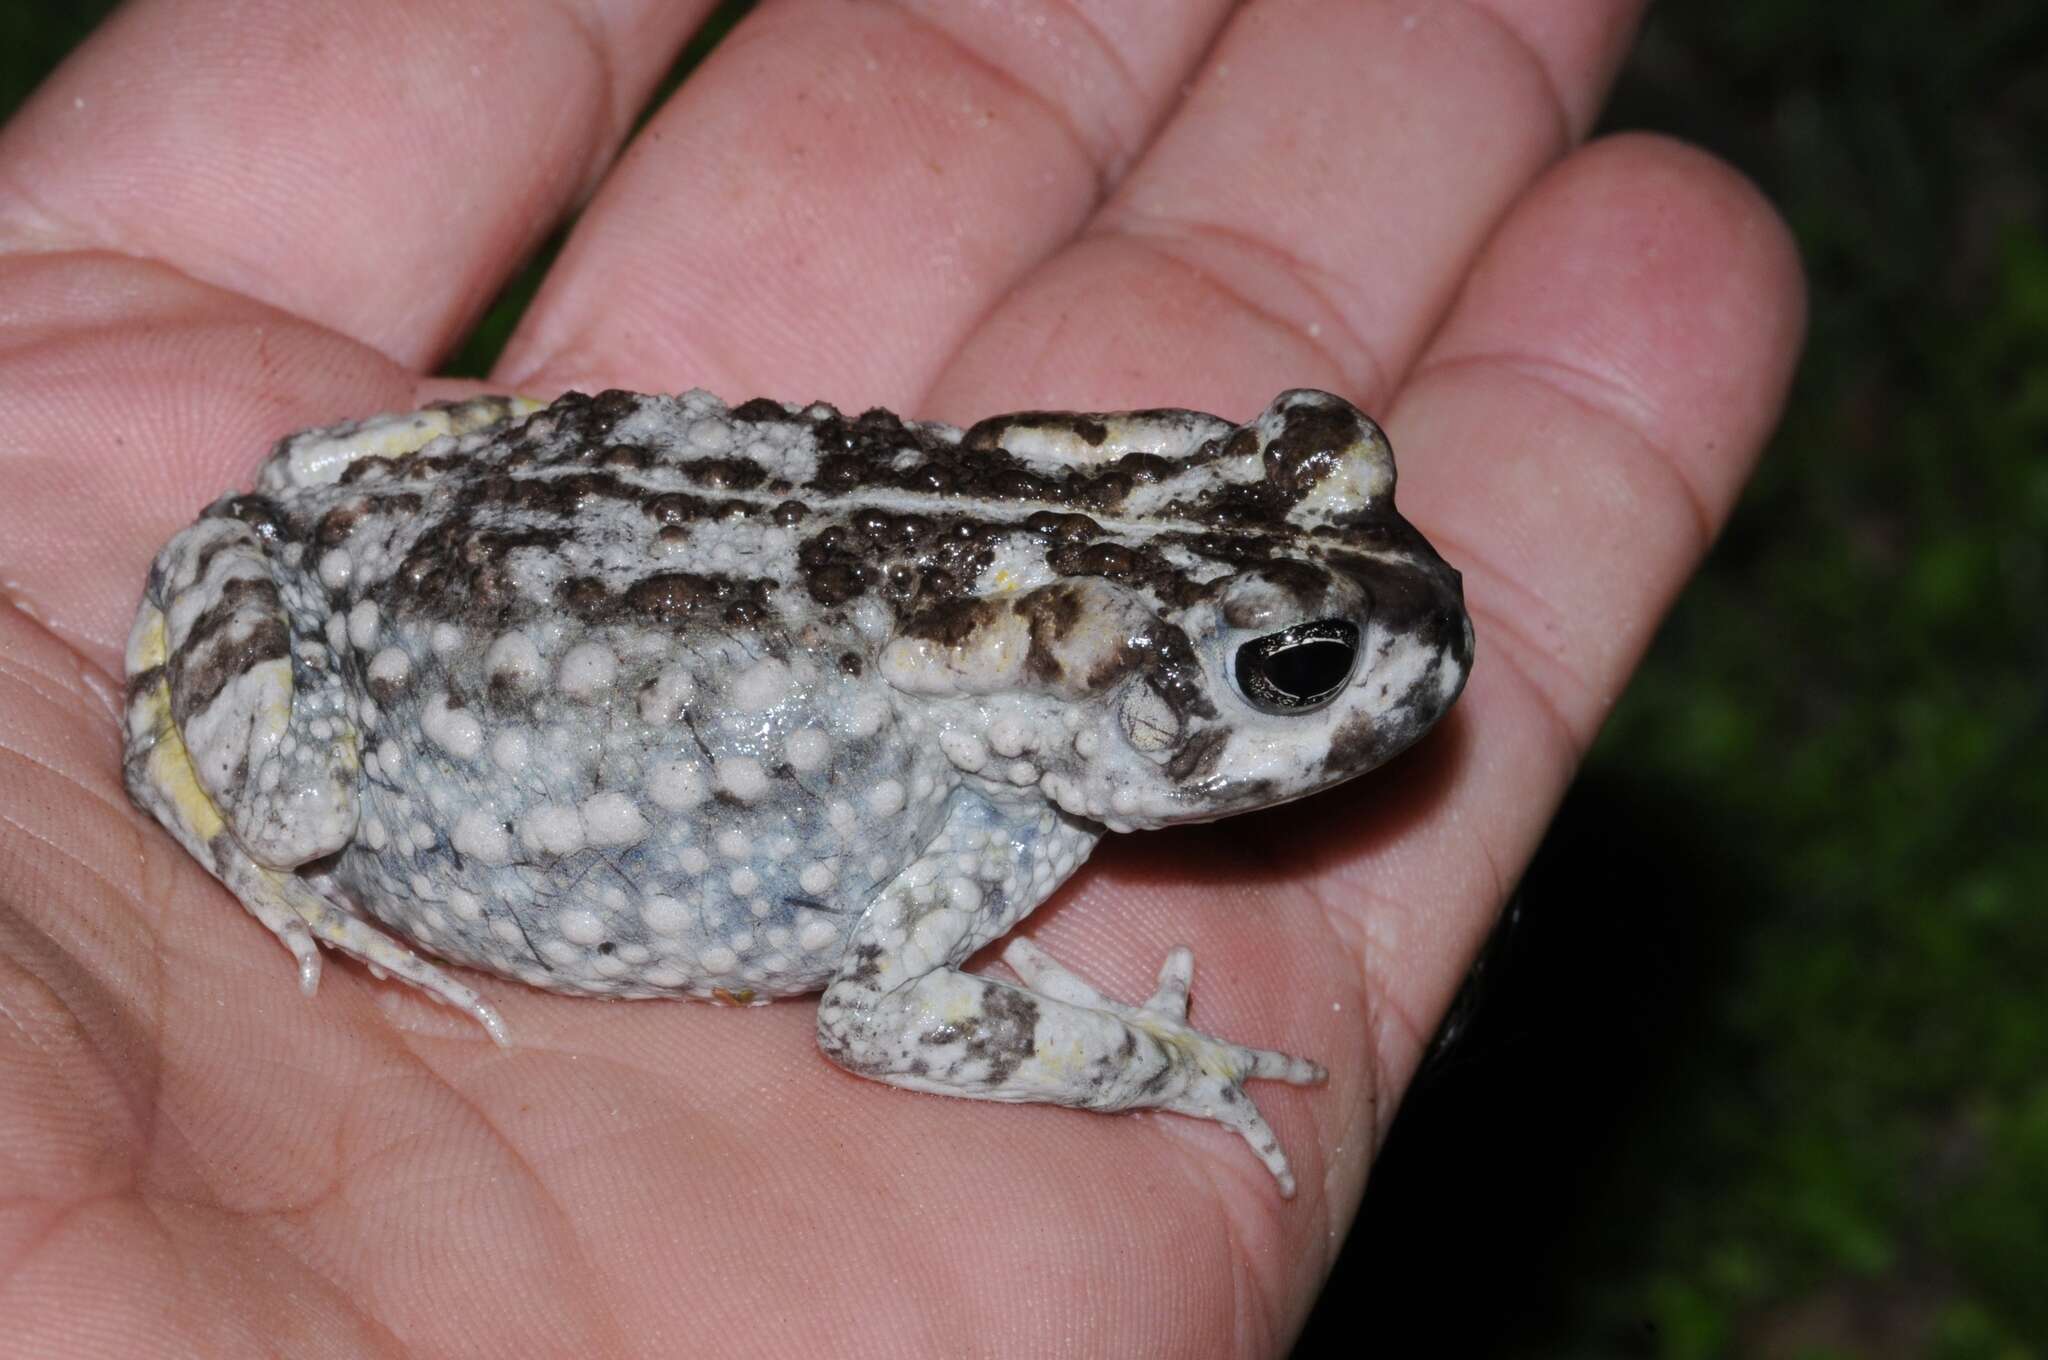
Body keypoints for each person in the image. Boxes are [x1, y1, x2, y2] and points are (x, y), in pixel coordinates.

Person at [0, 1, 1802, 1354]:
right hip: (371, 658)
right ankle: (232, 804)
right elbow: (888, 1011)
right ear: (1120, 700)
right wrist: (1149, 1061)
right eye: (1295, 671)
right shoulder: (1001, 786)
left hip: (471, 506)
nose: (1381, 665)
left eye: (1339, 488)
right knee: (293, 796)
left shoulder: (1018, 684)